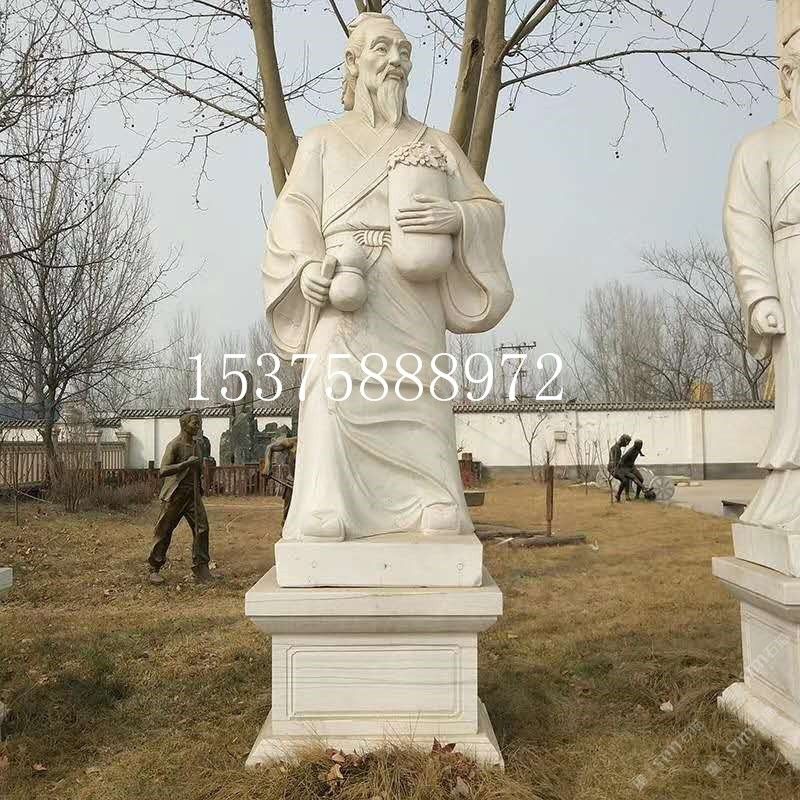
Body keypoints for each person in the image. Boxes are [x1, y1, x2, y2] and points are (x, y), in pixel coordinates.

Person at [262, 12, 513, 542]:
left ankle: (432, 497)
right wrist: (307, 265)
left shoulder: (435, 143)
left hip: (412, 290)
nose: (396, 60)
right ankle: (328, 502)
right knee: (332, 390)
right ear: (353, 61)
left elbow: (487, 207)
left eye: (404, 51)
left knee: (421, 396)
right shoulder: (321, 141)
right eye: (382, 48)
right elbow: (294, 208)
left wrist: (456, 217)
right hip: (345, 282)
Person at [724, 25, 800, 530]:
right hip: (793, 267)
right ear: (789, 76)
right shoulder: (762, 146)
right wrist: (760, 294)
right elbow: (744, 219)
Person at [147, 411, 220, 584]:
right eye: (195, 423)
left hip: (192, 494)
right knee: (164, 530)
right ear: (184, 424)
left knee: (202, 529)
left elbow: (199, 469)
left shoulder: (197, 445)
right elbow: (163, 470)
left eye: (199, 423)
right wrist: (186, 464)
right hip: (175, 494)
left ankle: (201, 568)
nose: (198, 426)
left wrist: (200, 483)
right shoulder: (175, 445)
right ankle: (154, 568)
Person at [261, 436, 297, 523]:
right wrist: (267, 466)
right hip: (292, 483)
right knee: (287, 517)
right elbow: (270, 447)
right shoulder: (293, 442)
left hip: (308, 485)